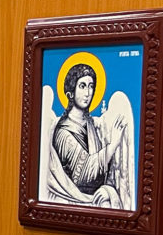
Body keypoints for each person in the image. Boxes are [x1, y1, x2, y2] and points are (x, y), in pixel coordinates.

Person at [45, 63, 134, 209]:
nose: (88, 92)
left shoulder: (91, 124)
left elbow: (105, 172)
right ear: (70, 93)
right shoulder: (63, 132)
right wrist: (113, 145)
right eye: (82, 86)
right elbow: (83, 174)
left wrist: (107, 190)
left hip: (94, 198)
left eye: (91, 86)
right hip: (70, 201)